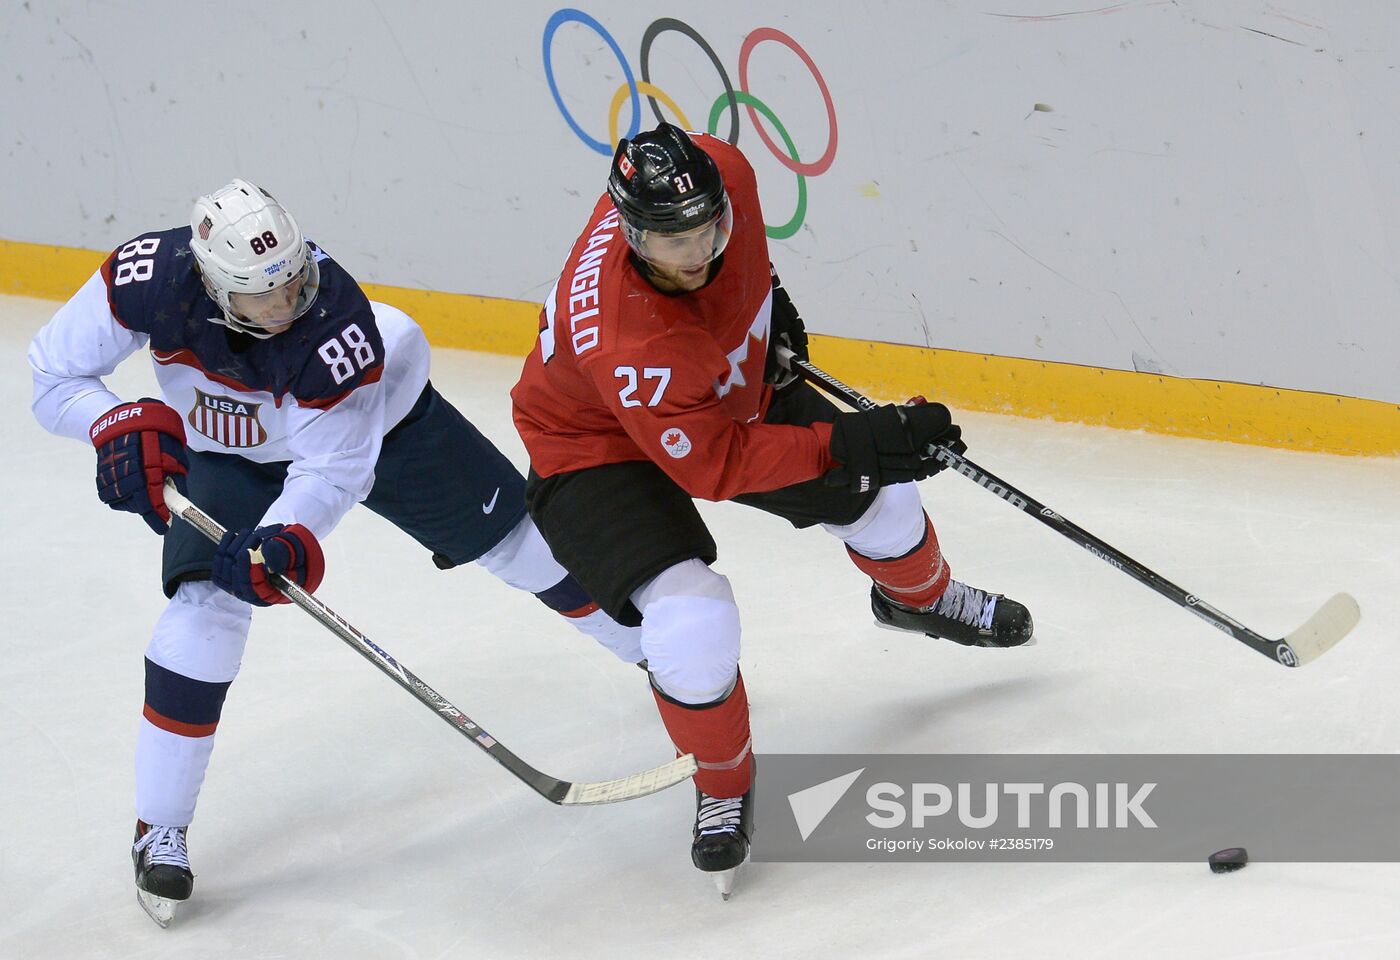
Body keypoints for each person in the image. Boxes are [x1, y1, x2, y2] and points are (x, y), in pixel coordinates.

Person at [28, 179, 640, 925]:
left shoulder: (335, 328)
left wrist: (285, 537)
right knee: (203, 609)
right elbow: (53, 375)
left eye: (293, 282)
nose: (286, 303)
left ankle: (657, 653)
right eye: (263, 296)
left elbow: (333, 470)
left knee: (522, 548)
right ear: (214, 285)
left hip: (388, 426)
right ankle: (159, 827)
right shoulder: (147, 280)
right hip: (229, 449)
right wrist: (114, 420)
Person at [510, 123, 1034, 894]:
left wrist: (771, 312)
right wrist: (853, 441)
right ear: (629, 232)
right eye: (669, 242)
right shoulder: (633, 346)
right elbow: (718, 464)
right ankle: (721, 782)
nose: (695, 255)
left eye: (707, 230)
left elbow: (744, 264)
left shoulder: (723, 172)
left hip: (708, 390)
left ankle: (919, 602)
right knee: (691, 620)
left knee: (886, 500)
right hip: (592, 445)